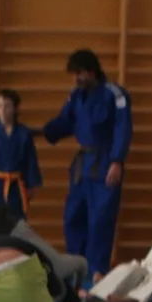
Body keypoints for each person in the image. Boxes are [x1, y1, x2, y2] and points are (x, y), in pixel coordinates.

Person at [41, 49, 133, 282]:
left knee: (100, 219)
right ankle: (77, 266)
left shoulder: (115, 94)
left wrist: (117, 160)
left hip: (105, 163)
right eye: (73, 74)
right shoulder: (76, 96)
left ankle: (98, 270)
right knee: (73, 217)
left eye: (79, 73)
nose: (76, 79)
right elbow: (65, 122)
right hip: (82, 166)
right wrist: (41, 132)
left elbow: (122, 128)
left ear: (92, 71)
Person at [0, 89, 42, 219]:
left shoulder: (24, 134)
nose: (2, 110)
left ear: (15, 108)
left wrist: (31, 185)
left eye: (7, 106)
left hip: (17, 186)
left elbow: (30, 160)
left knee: (16, 222)